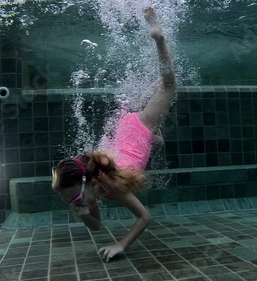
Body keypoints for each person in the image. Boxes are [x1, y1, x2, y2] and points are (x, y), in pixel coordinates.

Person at [51, 5, 175, 263]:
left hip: (138, 128)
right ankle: (156, 135)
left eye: (74, 198)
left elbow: (145, 217)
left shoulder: (113, 186)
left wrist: (122, 244)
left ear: (86, 182)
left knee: (168, 85)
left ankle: (159, 37)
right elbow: (96, 227)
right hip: (126, 135)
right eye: (69, 201)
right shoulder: (91, 186)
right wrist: (85, 214)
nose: (74, 203)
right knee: (155, 139)